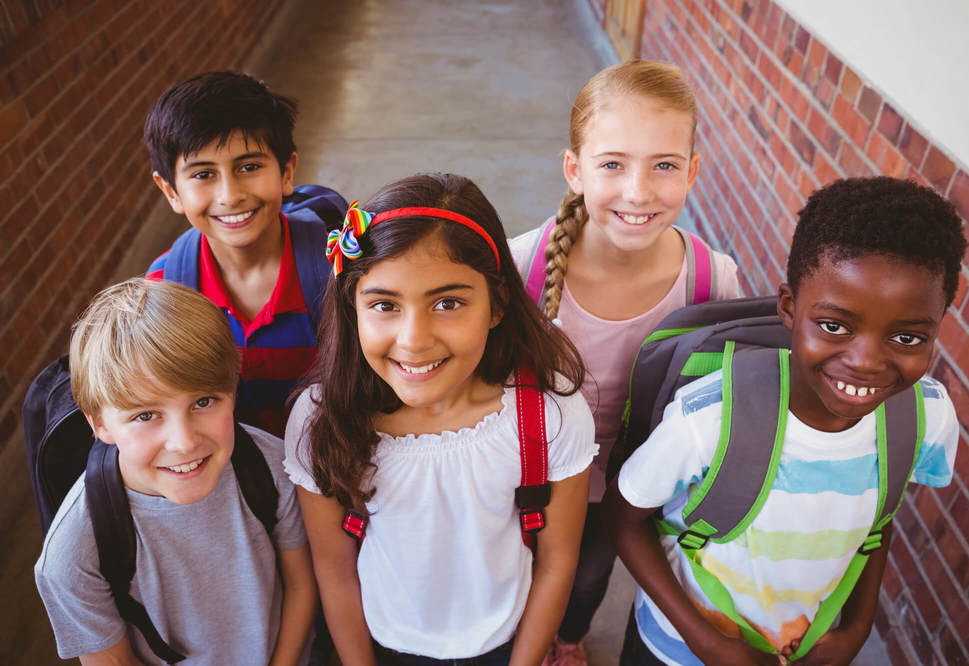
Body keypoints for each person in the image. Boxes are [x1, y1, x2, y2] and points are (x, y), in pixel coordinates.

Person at [602, 177, 967, 665]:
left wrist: (856, 628)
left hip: (807, 647)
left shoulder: (925, 418)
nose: (865, 362)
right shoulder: (711, 419)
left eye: (906, 338)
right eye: (835, 326)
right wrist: (705, 642)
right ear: (790, 307)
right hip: (675, 649)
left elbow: (876, 518)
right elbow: (624, 521)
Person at [284, 172, 597, 665]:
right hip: (382, 643)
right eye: (384, 305)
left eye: (448, 303)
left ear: (496, 305)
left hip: (508, 644)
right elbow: (335, 570)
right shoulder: (323, 419)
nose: (413, 339)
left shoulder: (549, 414)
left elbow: (557, 563)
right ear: (353, 307)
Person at [509, 60, 741, 664]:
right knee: (516, 572)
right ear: (575, 169)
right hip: (523, 473)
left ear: (692, 172)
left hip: (626, 485)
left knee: (587, 578)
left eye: (664, 165)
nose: (639, 191)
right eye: (612, 164)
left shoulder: (711, 280)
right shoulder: (520, 267)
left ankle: (568, 636)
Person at [34, 278, 316, 665]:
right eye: (146, 415)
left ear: (232, 391)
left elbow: (301, 585)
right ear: (99, 424)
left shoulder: (271, 467)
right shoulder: (75, 551)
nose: (183, 442)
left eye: (203, 401)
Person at [144, 71, 334, 437]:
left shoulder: (340, 265)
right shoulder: (165, 291)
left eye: (249, 167)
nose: (230, 195)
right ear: (170, 191)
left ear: (286, 171)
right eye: (203, 174)